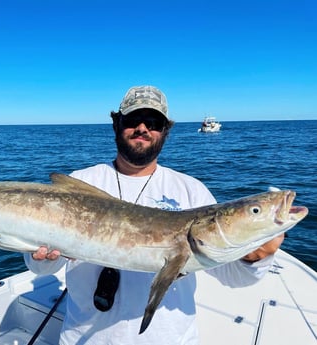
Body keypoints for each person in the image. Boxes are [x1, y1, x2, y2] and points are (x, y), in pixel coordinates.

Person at [24, 85, 284, 344]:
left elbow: (233, 277)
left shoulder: (191, 190)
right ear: (116, 124)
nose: (142, 129)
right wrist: (43, 258)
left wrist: (256, 258)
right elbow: (40, 266)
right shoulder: (82, 181)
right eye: (133, 120)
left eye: (153, 122)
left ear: (165, 131)